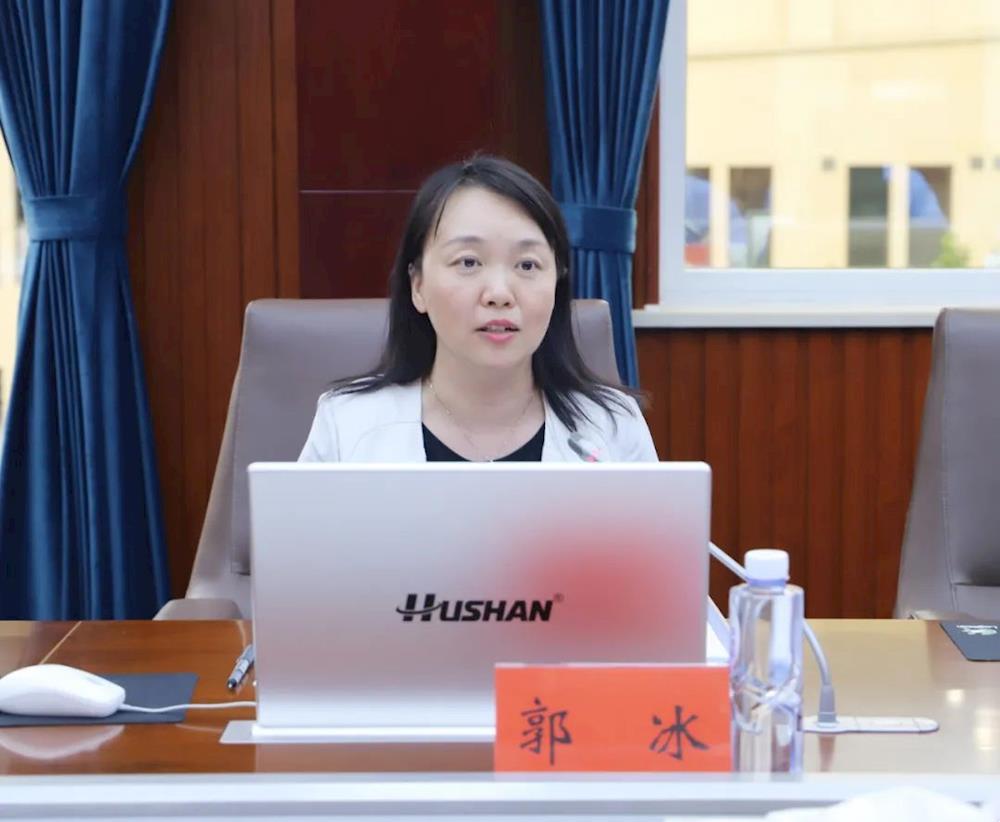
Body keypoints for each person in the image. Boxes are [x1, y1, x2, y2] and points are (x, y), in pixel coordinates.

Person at [298, 155, 658, 463]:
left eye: (527, 265)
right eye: (468, 262)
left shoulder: (611, 428)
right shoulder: (348, 424)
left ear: (557, 285)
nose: (499, 294)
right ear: (418, 285)